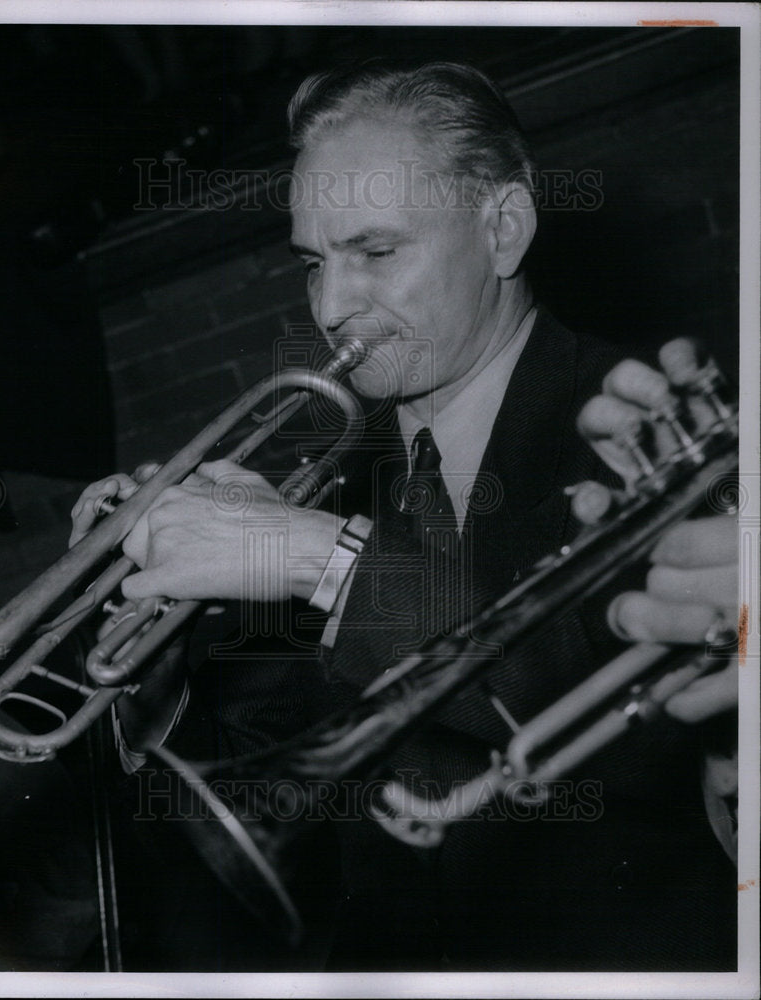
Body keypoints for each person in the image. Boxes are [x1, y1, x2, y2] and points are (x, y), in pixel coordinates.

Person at [70, 62, 738, 971]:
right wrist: (149, 664)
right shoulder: (329, 476)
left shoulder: (650, 423)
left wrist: (327, 563)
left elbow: (642, 722)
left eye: (376, 253)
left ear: (504, 229)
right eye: (314, 262)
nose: (333, 305)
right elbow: (264, 784)